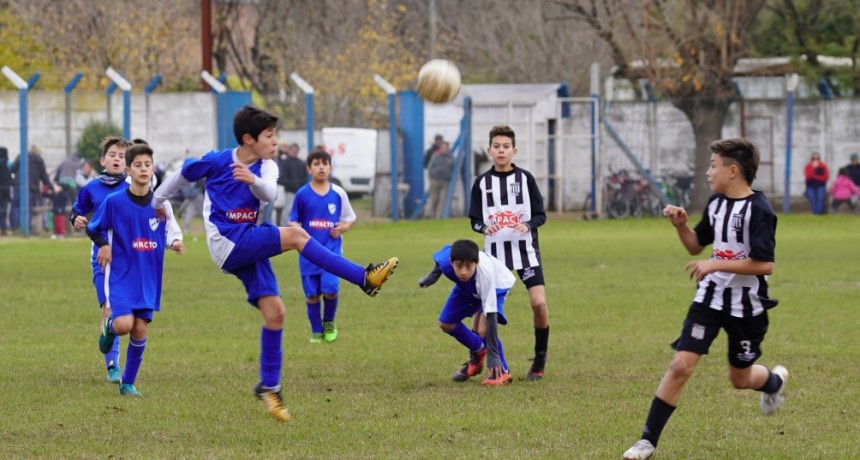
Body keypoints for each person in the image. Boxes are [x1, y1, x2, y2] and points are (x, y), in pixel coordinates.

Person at [152, 105, 398, 422]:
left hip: (248, 241)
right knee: (297, 236)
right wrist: (156, 203)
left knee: (276, 312)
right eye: (269, 135)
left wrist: (252, 178)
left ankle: (270, 387)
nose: (275, 141)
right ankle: (364, 277)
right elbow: (180, 176)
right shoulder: (217, 161)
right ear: (248, 138)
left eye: (275, 135)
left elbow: (268, 193)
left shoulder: (267, 166)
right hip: (227, 241)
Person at [621, 137, 787, 460]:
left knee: (740, 378)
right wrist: (681, 227)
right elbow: (696, 246)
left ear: (733, 170)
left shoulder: (760, 210)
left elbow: (765, 264)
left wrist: (715, 263)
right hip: (709, 299)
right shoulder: (715, 204)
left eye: (713, 166)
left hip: (747, 305)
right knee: (681, 365)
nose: (708, 173)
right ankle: (646, 442)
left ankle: (772, 383)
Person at [89, 143, 185, 396]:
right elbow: (93, 227)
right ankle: (108, 329)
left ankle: (127, 383)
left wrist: (175, 242)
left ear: (152, 169)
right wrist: (103, 246)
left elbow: (171, 230)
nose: (144, 169)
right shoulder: (114, 202)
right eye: (138, 165)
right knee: (123, 325)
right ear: (128, 170)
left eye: (147, 165)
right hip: (121, 274)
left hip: (148, 276)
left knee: (140, 328)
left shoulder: (161, 204)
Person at [469, 125, 550, 381]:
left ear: (514, 151)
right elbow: (474, 220)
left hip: (525, 253)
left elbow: (540, 215)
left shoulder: (526, 179)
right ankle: (477, 357)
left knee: (538, 303)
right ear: (489, 150)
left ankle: (539, 359)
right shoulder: (482, 184)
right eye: (497, 147)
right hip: (494, 257)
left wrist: (527, 224)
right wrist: (484, 226)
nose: (501, 151)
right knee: (483, 311)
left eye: (506, 147)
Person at [70, 137, 132, 383]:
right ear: (102, 160)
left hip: (131, 259)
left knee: (131, 314)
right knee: (109, 308)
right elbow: (77, 210)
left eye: (122, 156)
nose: (117, 159)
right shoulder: (92, 188)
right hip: (102, 258)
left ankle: (114, 346)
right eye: (113, 155)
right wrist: (76, 218)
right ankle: (113, 366)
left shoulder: (134, 186)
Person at [418, 239, 515, 385]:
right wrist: (432, 276)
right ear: (452, 262)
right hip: (466, 287)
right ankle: (479, 351)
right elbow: (441, 260)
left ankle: (503, 372)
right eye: (459, 266)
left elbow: (491, 314)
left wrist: (493, 355)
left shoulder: (485, 275)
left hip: (497, 285)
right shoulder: (447, 260)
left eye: (469, 266)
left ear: (476, 262)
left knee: (483, 330)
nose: (463, 271)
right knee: (446, 324)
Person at [288, 149, 355, 344]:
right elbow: (293, 220)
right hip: (308, 254)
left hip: (331, 252)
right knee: (312, 295)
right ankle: (316, 330)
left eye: (324, 164)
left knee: (331, 289)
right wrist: (299, 231)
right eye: (316, 164)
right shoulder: (302, 194)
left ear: (330, 168)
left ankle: (329, 323)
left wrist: (341, 229)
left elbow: (349, 219)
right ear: (309, 168)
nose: (321, 168)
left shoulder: (338, 193)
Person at [11, 145, 57, 233]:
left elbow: (13, 169)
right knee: (27, 209)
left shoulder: (21, 156)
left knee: (16, 207)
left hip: (18, 185)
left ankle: (15, 227)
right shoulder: (39, 161)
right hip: (31, 187)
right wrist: (51, 187)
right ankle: (26, 229)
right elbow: (44, 177)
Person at [277, 142, 306, 226]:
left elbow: (305, 178)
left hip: (299, 192)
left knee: (299, 209)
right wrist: (291, 183)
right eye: (293, 150)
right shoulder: (285, 163)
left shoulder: (301, 163)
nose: (295, 152)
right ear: (290, 151)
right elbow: (280, 178)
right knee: (288, 209)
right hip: (289, 191)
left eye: (296, 150)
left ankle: (297, 226)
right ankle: (284, 226)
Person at [427, 141, 455, 219]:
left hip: (445, 182)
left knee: (443, 200)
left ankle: (438, 217)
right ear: (441, 148)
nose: (445, 149)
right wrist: (430, 178)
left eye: (446, 148)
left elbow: (454, 169)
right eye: (443, 148)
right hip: (434, 180)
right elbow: (430, 167)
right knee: (434, 199)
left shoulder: (451, 157)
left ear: (448, 148)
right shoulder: (435, 156)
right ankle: (431, 215)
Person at [0, 147, 12, 235]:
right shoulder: (4, 165)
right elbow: (7, 180)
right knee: (3, 211)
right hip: (3, 192)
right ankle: (3, 228)